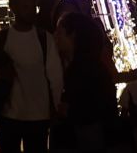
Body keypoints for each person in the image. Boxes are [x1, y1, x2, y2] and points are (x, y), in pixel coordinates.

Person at [0, 0, 64, 153]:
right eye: (25, 7)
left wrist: (55, 106)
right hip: (12, 114)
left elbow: (55, 76)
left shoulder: (44, 39)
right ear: (14, 9)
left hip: (34, 115)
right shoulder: (1, 38)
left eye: (33, 7)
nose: (31, 11)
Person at [50, 11, 116, 151]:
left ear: (73, 35)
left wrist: (68, 110)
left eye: (59, 32)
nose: (55, 36)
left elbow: (92, 107)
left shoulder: (83, 69)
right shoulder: (83, 65)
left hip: (87, 135)